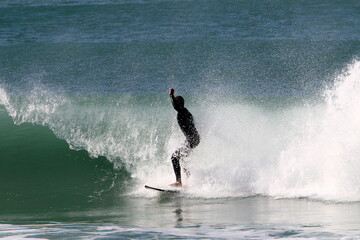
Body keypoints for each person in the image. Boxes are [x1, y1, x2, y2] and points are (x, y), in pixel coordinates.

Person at [169, 88, 200, 187]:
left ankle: (179, 182)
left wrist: (171, 95)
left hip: (192, 139)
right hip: (193, 139)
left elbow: (176, 107)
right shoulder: (186, 112)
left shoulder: (182, 111)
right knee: (182, 157)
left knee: (174, 157)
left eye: (176, 103)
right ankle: (189, 177)